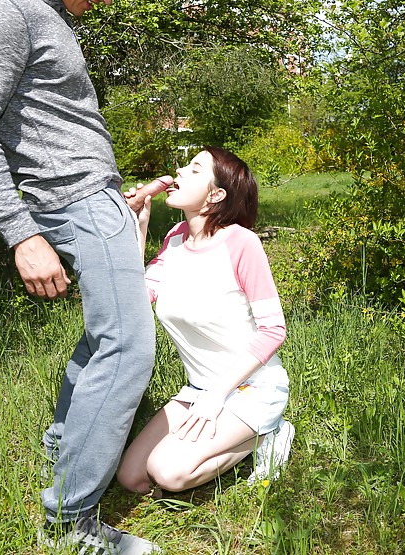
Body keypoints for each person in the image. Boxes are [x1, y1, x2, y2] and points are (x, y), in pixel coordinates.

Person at [0, 0, 160, 555]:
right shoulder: (6, 13)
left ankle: (62, 468)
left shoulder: (47, 19)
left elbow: (57, 135)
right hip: (72, 203)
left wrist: (116, 198)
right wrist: (22, 233)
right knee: (129, 348)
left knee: (106, 341)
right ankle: (71, 524)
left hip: (95, 199)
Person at [116, 147, 295, 497]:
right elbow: (137, 301)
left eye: (194, 169)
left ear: (215, 195)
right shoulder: (175, 240)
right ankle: (232, 434)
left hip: (251, 388)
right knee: (133, 478)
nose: (179, 171)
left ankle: (268, 433)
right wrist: (137, 230)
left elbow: (274, 330)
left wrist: (216, 397)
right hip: (199, 389)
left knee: (168, 472)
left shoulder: (242, 243)